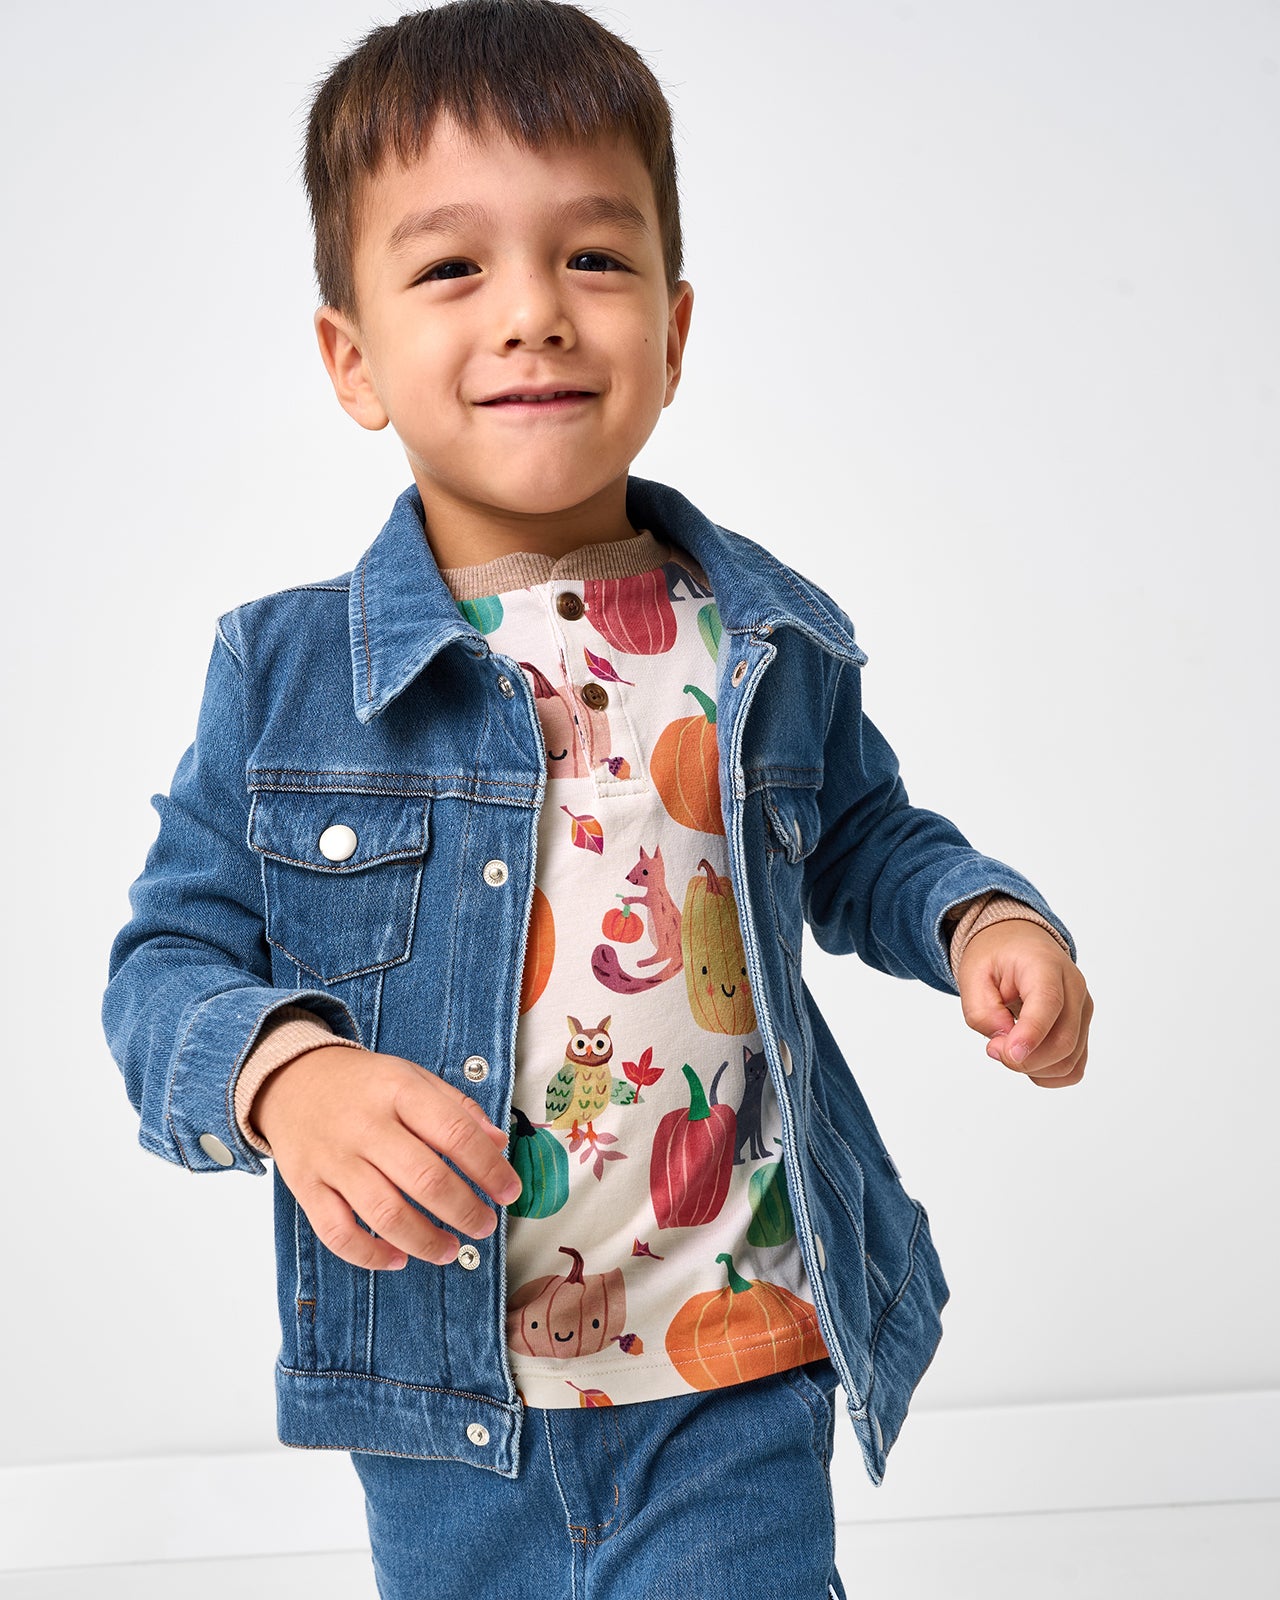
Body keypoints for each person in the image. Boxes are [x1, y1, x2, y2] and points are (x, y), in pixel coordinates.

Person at [102, 3, 1093, 1595]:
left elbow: (861, 840)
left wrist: (978, 917)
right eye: (452, 267)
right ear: (352, 359)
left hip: (732, 1354)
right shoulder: (283, 676)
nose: (535, 315)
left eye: (593, 257)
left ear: (676, 331)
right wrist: (284, 1075)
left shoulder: (759, 640)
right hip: (445, 1399)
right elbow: (164, 968)